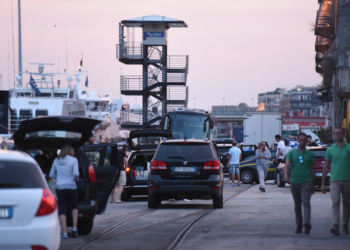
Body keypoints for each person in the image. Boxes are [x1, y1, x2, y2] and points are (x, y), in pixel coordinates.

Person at [284, 133, 315, 234]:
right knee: (297, 205)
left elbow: (312, 169)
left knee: (306, 202)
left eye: (304, 140)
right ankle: (299, 225)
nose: (302, 142)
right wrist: (285, 174)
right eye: (300, 140)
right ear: (298, 140)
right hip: (295, 182)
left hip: (307, 181)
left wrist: (313, 184)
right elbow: (287, 164)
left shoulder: (310, 154)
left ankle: (306, 223)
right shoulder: (292, 152)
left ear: (307, 141)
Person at [321, 127, 350, 236]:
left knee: (346, 204)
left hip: (348, 180)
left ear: (343, 134)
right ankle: (335, 225)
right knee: (335, 202)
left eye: (339, 133)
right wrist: (323, 183)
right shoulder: (330, 150)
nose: (337, 135)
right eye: (335, 133)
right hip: (334, 180)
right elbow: (326, 166)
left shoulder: (349, 148)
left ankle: (345, 225)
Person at [49, 144, 80, 239]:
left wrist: (58, 178)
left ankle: (64, 232)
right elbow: (76, 173)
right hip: (71, 186)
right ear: (70, 151)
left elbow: (51, 174)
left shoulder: (56, 160)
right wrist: (75, 179)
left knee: (62, 209)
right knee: (74, 206)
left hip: (60, 187)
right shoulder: (73, 160)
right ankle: (74, 228)